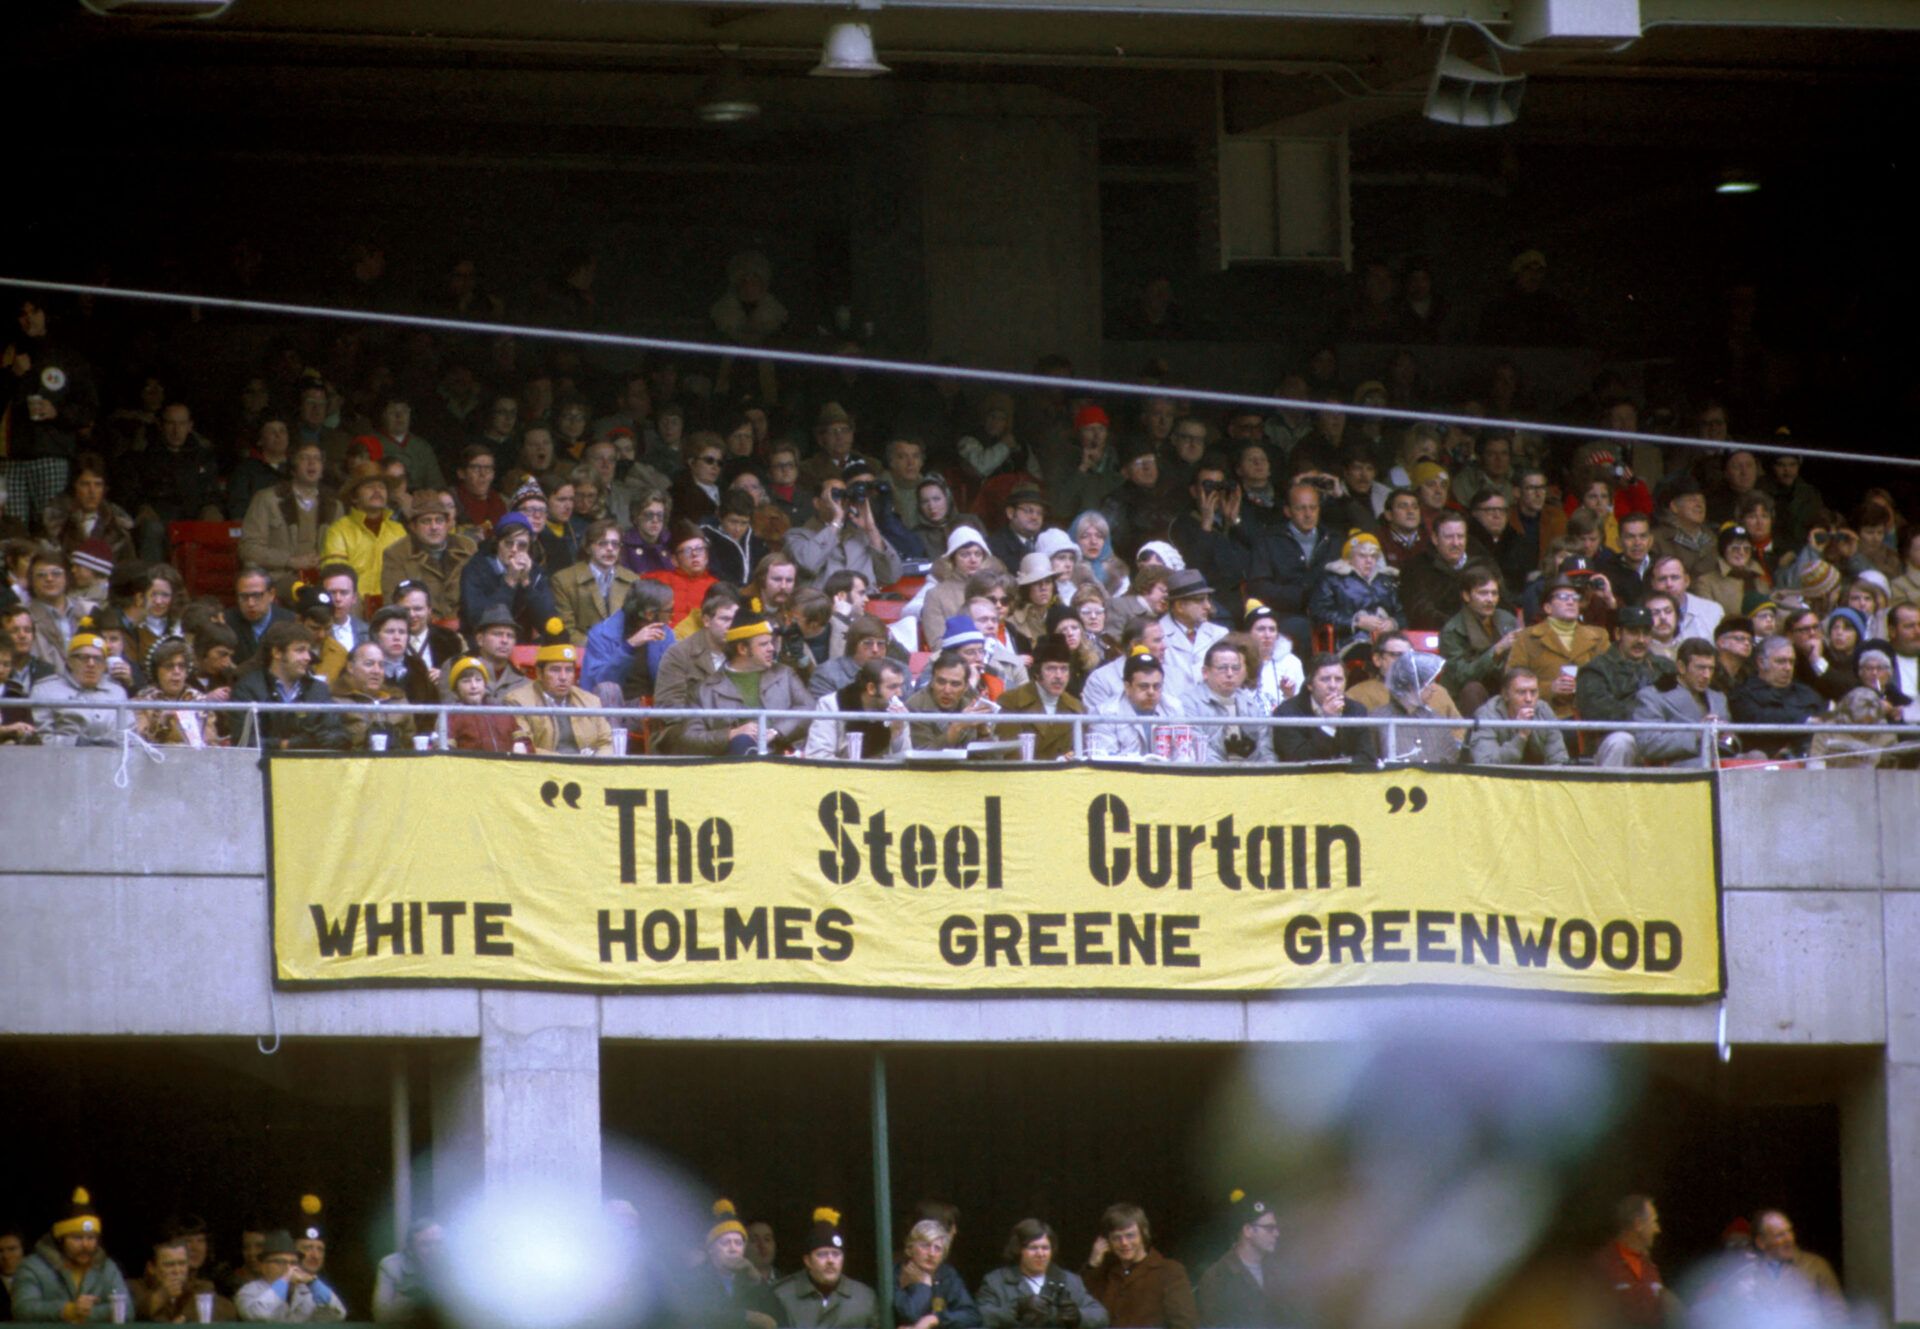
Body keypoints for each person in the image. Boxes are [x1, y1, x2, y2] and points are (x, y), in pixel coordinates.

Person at [682, 602, 813, 755]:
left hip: (784, 757)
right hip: (733, 768)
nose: (771, 648)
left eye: (770, 642)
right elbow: (689, 737)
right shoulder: (704, 690)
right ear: (743, 649)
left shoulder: (785, 674)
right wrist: (730, 734)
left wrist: (776, 731)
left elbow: (809, 708)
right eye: (763, 644)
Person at [10, 1188, 129, 1323]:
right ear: (60, 1240)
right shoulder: (32, 1267)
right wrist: (66, 1311)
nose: (86, 1245)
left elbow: (127, 1309)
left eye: (91, 1238)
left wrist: (83, 1314)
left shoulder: (107, 1268)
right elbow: (22, 1309)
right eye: (77, 1238)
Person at [232, 621, 349, 751]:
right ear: (277, 652)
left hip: (311, 767)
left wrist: (321, 740)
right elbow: (244, 741)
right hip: (262, 768)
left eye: (308, 651)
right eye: (300, 650)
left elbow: (337, 735)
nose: (308, 657)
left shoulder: (318, 689)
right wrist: (288, 745)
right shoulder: (248, 689)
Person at [1508, 576, 1609, 718]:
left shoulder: (1599, 636)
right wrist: (1550, 688)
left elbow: (1609, 678)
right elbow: (1512, 682)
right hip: (1543, 716)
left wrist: (1582, 687)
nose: (1570, 601)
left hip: (1589, 715)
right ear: (1547, 607)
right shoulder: (1527, 638)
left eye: (1575, 597)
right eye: (1563, 597)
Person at [979, 1219, 1109, 1329]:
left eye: (1045, 1248)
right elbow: (980, 1316)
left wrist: (1078, 1316)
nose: (1040, 1254)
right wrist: (1016, 1309)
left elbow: (1101, 1315)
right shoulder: (996, 1281)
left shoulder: (1070, 1280)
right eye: (1033, 1248)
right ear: (1018, 1249)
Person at [1082, 1204, 1195, 1329]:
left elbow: (1184, 1324)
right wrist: (1092, 1265)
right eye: (1116, 1238)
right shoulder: (1105, 1273)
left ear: (1143, 1235)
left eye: (1130, 1235)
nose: (1124, 1243)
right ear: (1107, 1242)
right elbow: (1083, 1311)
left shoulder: (1169, 1271)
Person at [505, 628, 614, 756]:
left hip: (588, 769)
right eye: (555, 670)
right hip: (543, 770)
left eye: (568, 670)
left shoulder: (590, 701)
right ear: (539, 673)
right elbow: (525, 748)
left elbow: (606, 743)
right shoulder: (518, 702)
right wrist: (566, 761)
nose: (563, 677)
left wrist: (595, 760)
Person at [788, 471, 901, 592]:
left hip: (864, 604)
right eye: (835, 495)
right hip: (824, 606)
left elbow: (891, 576)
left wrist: (871, 529)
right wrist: (837, 521)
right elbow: (809, 564)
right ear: (817, 503)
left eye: (844, 495)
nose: (841, 501)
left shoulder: (862, 535)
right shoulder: (797, 535)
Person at [771, 1209, 877, 1329]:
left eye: (836, 1254)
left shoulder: (864, 1298)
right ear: (808, 1261)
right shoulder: (782, 1296)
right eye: (822, 1254)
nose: (830, 1261)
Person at [458, 512, 557, 639]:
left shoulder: (536, 572)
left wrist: (526, 582)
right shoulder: (475, 569)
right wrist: (509, 581)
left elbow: (548, 624)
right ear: (497, 543)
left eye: (522, 545)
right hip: (479, 643)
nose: (515, 549)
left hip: (521, 644)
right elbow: (477, 619)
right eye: (509, 543)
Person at [1193, 1194, 1284, 1329]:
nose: (1277, 1234)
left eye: (1276, 1228)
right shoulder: (1216, 1278)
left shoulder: (1277, 1270)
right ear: (1248, 1230)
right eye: (1269, 1228)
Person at [29, 630, 133, 746]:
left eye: (98, 659)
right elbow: (39, 739)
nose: (91, 664)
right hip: (63, 760)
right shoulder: (46, 691)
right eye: (84, 658)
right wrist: (74, 743)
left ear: (105, 665)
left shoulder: (117, 693)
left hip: (112, 760)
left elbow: (131, 736)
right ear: (69, 661)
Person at [319, 464, 407, 600]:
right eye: (370, 486)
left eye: (382, 487)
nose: (377, 490)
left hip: (394, 607)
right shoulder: (339, 531)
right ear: (354, 497)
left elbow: (409, 574)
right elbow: (336, 578)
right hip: (353, 607)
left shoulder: (399, 530)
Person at [1729, 635, 1826, 757]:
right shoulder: (1743, 694)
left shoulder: (1806, 693)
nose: (1788, 668)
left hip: (1807, 758)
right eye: (1781, 661)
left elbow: (1823, 718)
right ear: (1761, 662)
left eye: (1791, 662)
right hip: (1761, 763)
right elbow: (1758, 723)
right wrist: (1804, 720)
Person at [1179, 639, 1271, 762]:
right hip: (1211, 774)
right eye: (1222, 668)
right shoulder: (1188, 703)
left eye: (1235, 668)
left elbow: (1265, 749)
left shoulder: (1249, 704)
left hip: (1251, 775)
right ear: (1205, 672)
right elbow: (1197, 750)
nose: (1230, 674)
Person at [1589, 1195, 1675, 1328]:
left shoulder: (1650, 1269)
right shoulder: (1603, 1265)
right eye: (1654, 1221)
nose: (1657, 1230)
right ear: (1638, 1224)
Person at [1000, 634, 1088, 761]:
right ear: (1037, 672)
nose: (1059, 676)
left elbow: (1083, 753)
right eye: (1051, 668)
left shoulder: (1077, 708)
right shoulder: (1011, 702)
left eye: (1064, 669)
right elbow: (1009, 754)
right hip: (1025, 777)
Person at [1308, 529, 1401, 650]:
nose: (1369, 560)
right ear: (1348, 558)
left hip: (1387, 640)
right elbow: (1319, 613)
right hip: (1348, 641)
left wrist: (1392, 623)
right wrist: (1356, 621)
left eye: (1373, 556)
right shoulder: (1333, 579)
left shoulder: (1385, 580)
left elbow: (1401, 612)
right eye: (1362, 555)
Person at [804, 657, 910, 760]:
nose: (899, 693)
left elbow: (904, 762)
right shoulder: (830, 705)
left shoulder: (898, 712)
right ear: (871, 688)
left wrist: (897, 734)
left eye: (900, 686)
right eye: (892, 687)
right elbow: (817, 756)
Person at [1748, 1209, 1844, 1320]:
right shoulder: (1749, 1274)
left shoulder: (1816, 1266)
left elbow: (1837, 1315)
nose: (1789, 1239)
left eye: (1789, 1232)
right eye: (1780, 1235)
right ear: (1761, 1242)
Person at [235, 1230, 346, 1323]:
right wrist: (284, 1280)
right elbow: (260, 1316)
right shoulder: (248, 1291)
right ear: (263, 1267)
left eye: (293, 1263)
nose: (289, 1268)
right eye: (280, 1262)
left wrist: (313, 1283)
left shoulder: (307, 1291)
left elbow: (337, 1314)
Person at [1465, 667, 1568, 766]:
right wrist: (1521, 736)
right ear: (1506, 695)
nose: (1529, 699)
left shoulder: (1543, 710)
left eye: (1533, 692)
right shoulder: (1487, 715)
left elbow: (1559, 759)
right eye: (1521, 692)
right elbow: (1487, 764)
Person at [127, 1236, 239, 1324]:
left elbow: (229, 1312)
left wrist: (185, 1318)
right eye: (169, 1265)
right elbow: (128, 1313)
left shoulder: (201, 1287)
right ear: (152, 1268)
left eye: (182, 1264)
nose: (177, 1270)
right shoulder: (134, 1288)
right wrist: (160, 1297)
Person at [1374, 649, 1459, 763]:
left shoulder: (1437, 720)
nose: (1433, 688)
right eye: (1428, 683)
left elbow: (1452, 761)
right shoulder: (1377, 720)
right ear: (1410, 684)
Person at [1088, 651, 1178, 758]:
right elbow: (1105, 761)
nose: (1151, 692)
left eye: (1157, 686)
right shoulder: (1105, 714)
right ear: (1127, 687)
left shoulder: (1173, 708)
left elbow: (1183, 755)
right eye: (1144, 686)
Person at [893, 1220, 979, 1329]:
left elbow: (972, 1315)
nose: (932, 1253)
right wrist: (923, 1284)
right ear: (910, 1249)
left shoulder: (947, 1274)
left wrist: (935, 1319)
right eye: (925, 1246)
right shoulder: (896, 1275)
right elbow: (911, 1315)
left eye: (937, 1248)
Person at [372, 1219, 443, 1324]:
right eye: (425, 1244)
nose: (434, 1250)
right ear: (411, 1248)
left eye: (439, 1243)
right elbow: (381, 1315)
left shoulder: (457, 1265)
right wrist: (417, 1300)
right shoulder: (391, 1265)